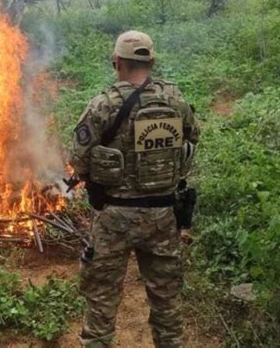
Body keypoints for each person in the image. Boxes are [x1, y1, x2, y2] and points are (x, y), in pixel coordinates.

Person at [69, 30, 199, 348]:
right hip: (163, 217)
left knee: (101, 304)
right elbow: (192, 140)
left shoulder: (103, 105)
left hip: (113, 218)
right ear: (151, 62)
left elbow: (77, 158)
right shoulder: (175, 99)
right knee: (167, 305)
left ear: (117, 63)